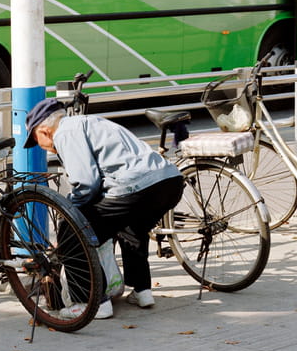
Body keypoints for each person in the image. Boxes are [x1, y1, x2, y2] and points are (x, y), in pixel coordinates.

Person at [23, 98, 184, 320]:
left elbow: (86, 183)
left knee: (72, 234)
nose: (43, 148)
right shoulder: (90, 122)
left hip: (135, 186)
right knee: (132, 226)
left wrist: (72, 214)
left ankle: (92, 303)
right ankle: (142, 291)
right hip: (169, 182)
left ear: (44, 131)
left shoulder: (64, 133)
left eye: (36, 141)